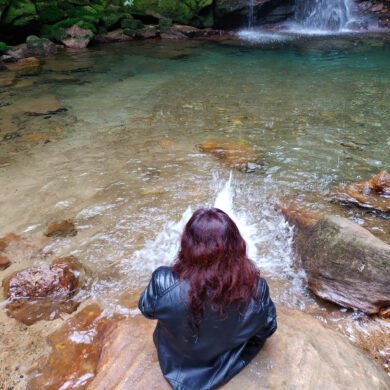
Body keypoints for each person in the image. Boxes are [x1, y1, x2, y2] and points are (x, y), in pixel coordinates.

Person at [139, 208, 277, 390]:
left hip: (176, 363)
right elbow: (268, 327)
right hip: (224, 365)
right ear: (236, 244)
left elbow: (147, 309)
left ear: (188, 245)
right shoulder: (256, 288)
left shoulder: (163, 281)